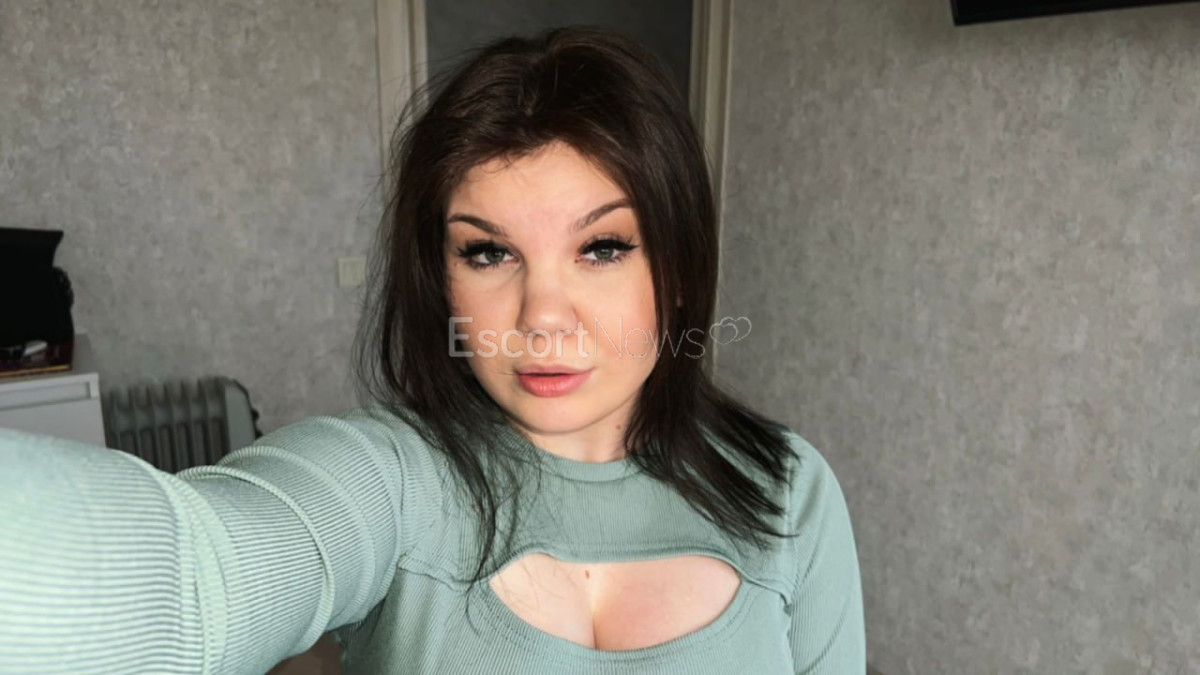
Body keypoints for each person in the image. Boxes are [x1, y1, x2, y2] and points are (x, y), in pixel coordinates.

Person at [0, 26, 865, 674]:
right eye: (487, 252)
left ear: (677, 270)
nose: (541, 318)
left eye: (602, 247)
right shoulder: (392, 477)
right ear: (439, 278)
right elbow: (193, 575)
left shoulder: (785, 487)